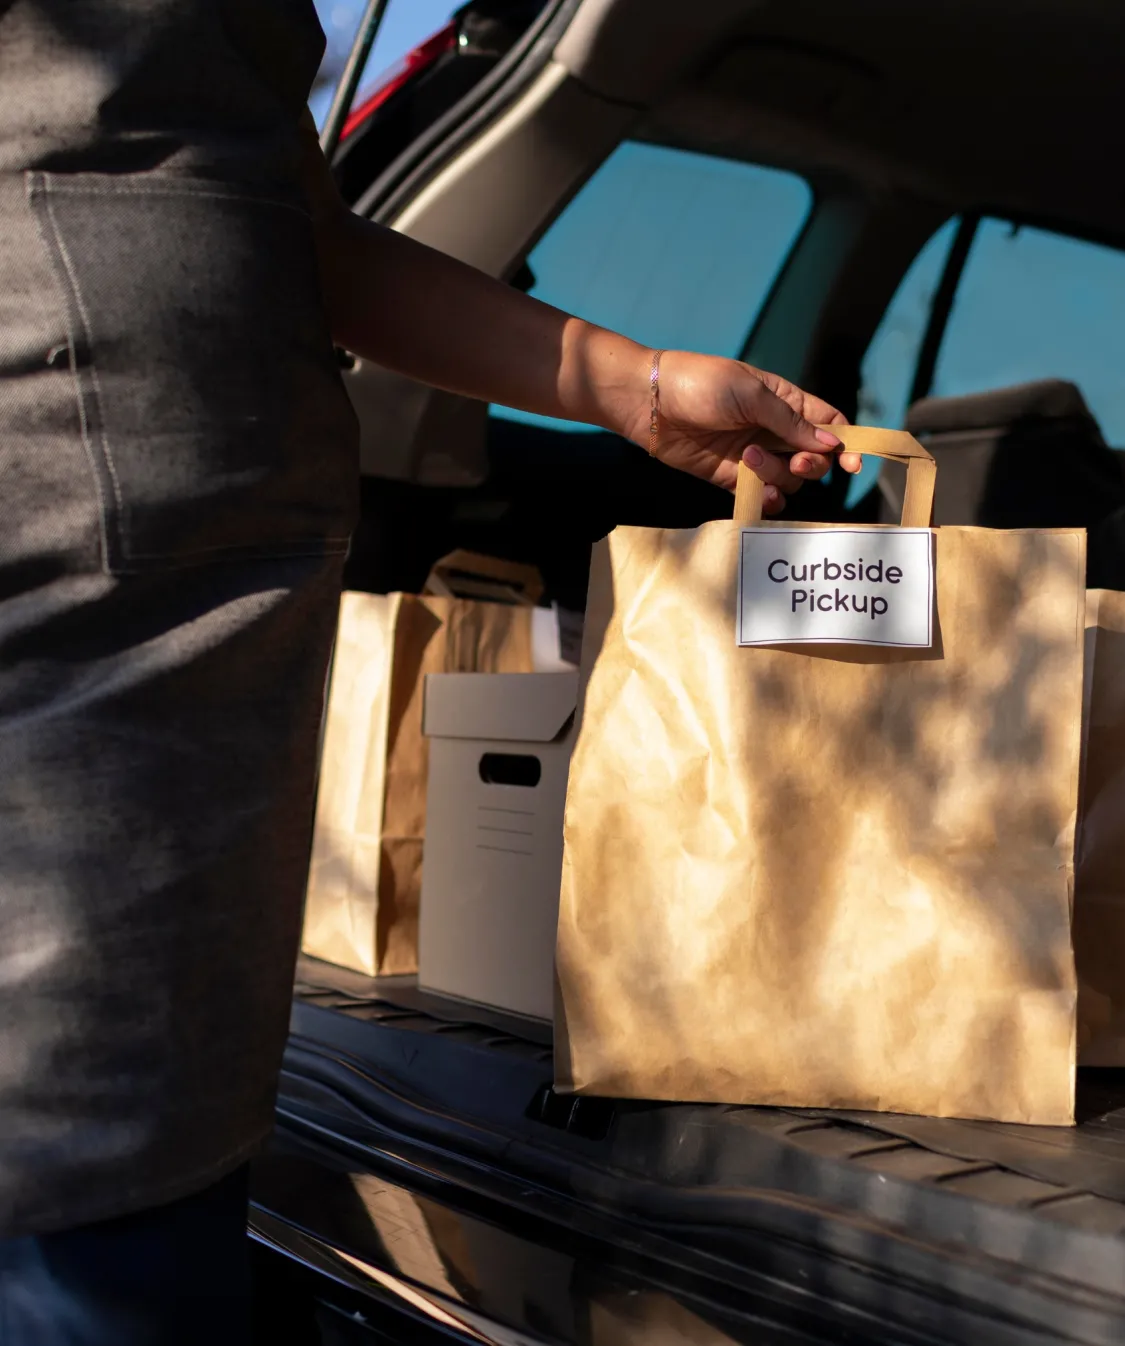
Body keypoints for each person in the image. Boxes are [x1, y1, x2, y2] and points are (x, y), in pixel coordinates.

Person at [0, 2, 856, 1340]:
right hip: (65, 577)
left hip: (206, 606)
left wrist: (633, 383)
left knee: (153, 1131)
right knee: (83, 1172)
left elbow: (298, 229)